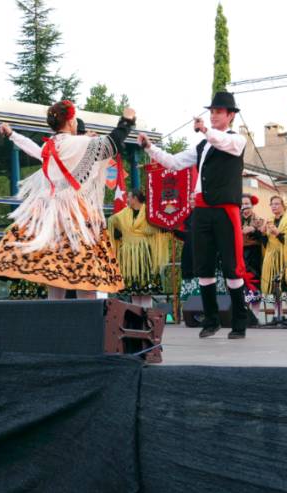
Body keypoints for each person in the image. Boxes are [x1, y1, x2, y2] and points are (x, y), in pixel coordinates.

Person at [0, 101, 133, 299]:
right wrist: (127, 121)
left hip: (50, 215)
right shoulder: (79, 143)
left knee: (55, 270)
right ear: (70, 121)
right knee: (86, 273)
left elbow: (33, 149)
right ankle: (88, 316)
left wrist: (12, 135)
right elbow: (113, 143)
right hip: (76, 214)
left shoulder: (49, 145)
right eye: (74, 119)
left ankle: (54, 315)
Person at [139, 91, 249, 339]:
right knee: (204, 267)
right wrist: (150, 148)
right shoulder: (203, 145)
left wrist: (205, 130)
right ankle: (211, 320)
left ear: (231, 115)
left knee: (232, 268)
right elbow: (174, 162)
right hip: (202, 211)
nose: (214, 115)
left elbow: (222, 141)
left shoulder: (237, 140)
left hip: (225, 211)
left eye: (219, 111)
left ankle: (239, 322)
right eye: (212, 112)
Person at [108, 188, 169, 307]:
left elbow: (159, 225)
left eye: (129, 197)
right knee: (134, 290)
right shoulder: (124, 213)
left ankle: (147, 315)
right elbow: (111, 221)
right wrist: (119, 234)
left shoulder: (148, 213)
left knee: (146, 290)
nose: (127, 199)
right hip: (128, 256)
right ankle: (137, 315)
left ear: (135, 198)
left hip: (144, 253)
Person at [240, 193, 265, 323]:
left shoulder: (259, 220)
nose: (245, 207)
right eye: (242, 204)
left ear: (252, 206)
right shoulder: (235, 220)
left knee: (254, 284)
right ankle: (244, 315)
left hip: (254, 256)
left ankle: (254, 316)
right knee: (241, 285)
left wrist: (254, 230)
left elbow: (264, 239)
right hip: (239, 255)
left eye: (247, 204)